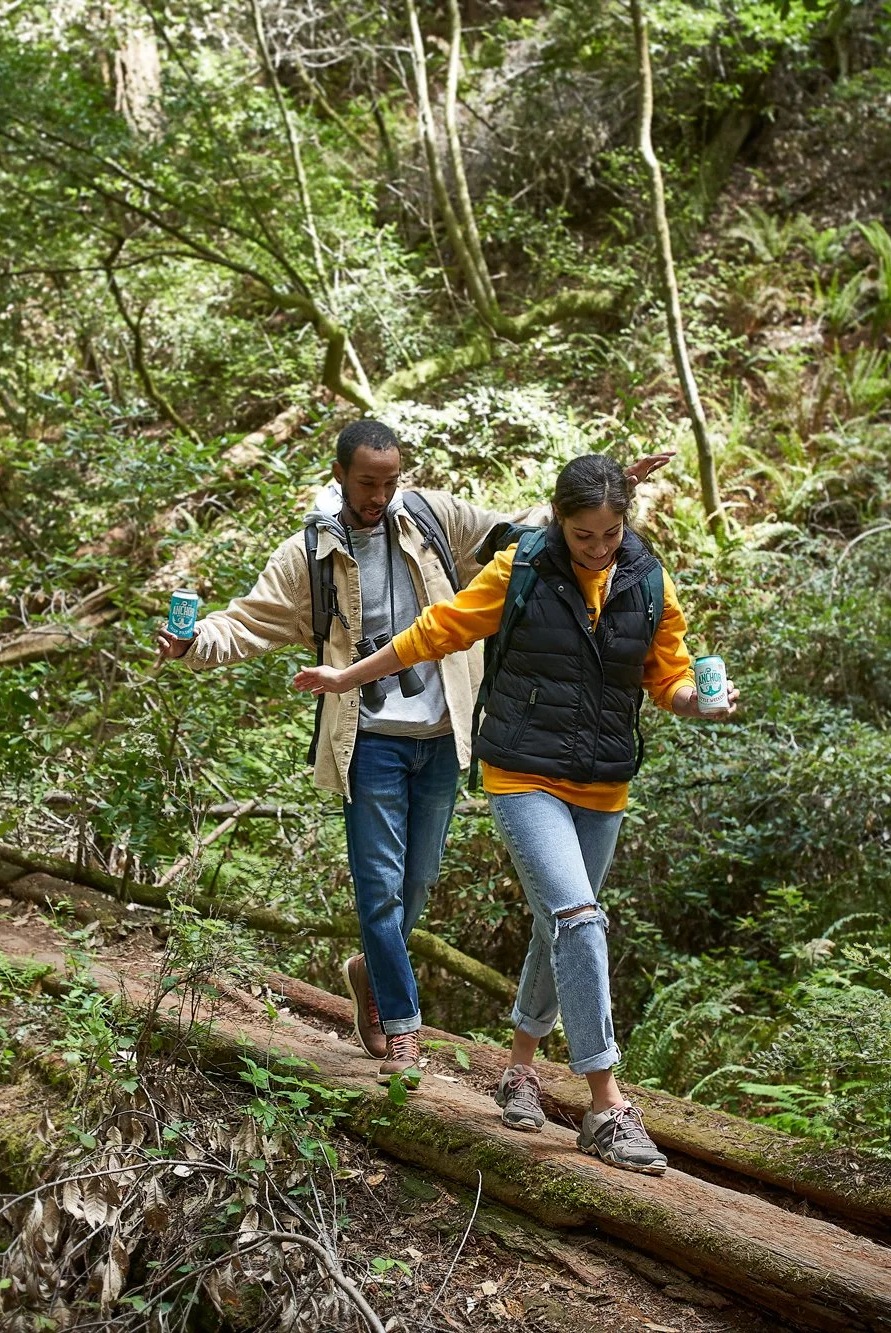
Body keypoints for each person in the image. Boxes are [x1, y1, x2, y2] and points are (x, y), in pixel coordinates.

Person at [159, 421, 670, 1085]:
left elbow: (528, 532)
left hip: (440, 732)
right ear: (340, 473)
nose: (380, 494)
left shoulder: (429, 518)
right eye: (368, 482)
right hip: (366, 736)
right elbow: (244, 621)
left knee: (416, 883)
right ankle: (403, 1031)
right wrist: (194, 642)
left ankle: (372, 969)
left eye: (390, 480)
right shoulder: (307, 557)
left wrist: (610, 492)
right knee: (378, 890)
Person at [293, 453, 736, 1173]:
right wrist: (347, 675)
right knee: (579, 917)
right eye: (583, 534)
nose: (597, 549)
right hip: (521, 773)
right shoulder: (520, 569)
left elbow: (669, 673)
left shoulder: (649, 580)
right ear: (558, 520)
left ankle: (520, 1069)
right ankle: (607, 1104)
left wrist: (694, 700)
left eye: (610, 534)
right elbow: (437, 630)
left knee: (559, 920)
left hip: (603, 784)